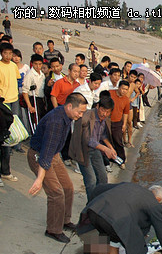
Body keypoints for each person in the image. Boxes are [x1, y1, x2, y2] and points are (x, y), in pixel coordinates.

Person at [27, 92, 88, 243]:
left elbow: (52, 150)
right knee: (56, 192)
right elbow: (45, 154)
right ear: (69, 106)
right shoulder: (56, 122)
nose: (80, 115)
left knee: (68, 187)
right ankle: (53, 230)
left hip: (54, 155)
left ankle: (64, 220)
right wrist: (40, 179)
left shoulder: (67, 116)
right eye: (79, 112)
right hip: (40, 156)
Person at [69, 92, 116, 202]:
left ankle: (99, 201)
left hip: (95, 150)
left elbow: (103, 135)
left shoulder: (104, 119)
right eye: (103, 110)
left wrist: (110, 147)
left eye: (108, 112)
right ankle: (91, 205)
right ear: (98, 106)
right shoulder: (86, 116)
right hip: (82, 151)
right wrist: (105, 149)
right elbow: (87, 139)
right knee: (91, 180)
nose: (104, 114)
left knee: (103, 177)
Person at [0, 43, 22, 154]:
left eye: (10, 53)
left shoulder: (13, 65)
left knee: (15, 121)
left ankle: (17, 144)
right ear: (1, 54)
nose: (8, 56)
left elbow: (17, 79)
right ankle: (6, 146)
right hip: (4, 99)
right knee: (6, 123)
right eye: (5, 53)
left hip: (14, 97)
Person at [22, 54, 47, 134]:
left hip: (41, 99)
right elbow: (25, 91)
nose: (38, 66)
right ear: (32, 63)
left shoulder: (42, 74)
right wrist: (29, 106)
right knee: (35, 121)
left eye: (40, 64)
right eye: (36, 64)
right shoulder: (30, 75)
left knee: (41, 119)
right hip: (33, 99)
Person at [109, 81, 130, 169]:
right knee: (107, 141)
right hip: (107, 121)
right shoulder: (110, 93)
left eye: (126, 89)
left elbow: (125, 113)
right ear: (118, 87)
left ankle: (121, 160)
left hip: (118, 122)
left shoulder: (126, 100)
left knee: (118, 141)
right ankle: (109, 159)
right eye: (123, 88)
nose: (124, 91)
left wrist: (124, 124)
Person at [0, 96, 14, 187]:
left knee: (5, 150)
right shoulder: (3, 107)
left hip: (2, 132)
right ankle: (5, 172)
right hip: (3, 133)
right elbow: (10, 118)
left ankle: (5, 172)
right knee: (5, 150)